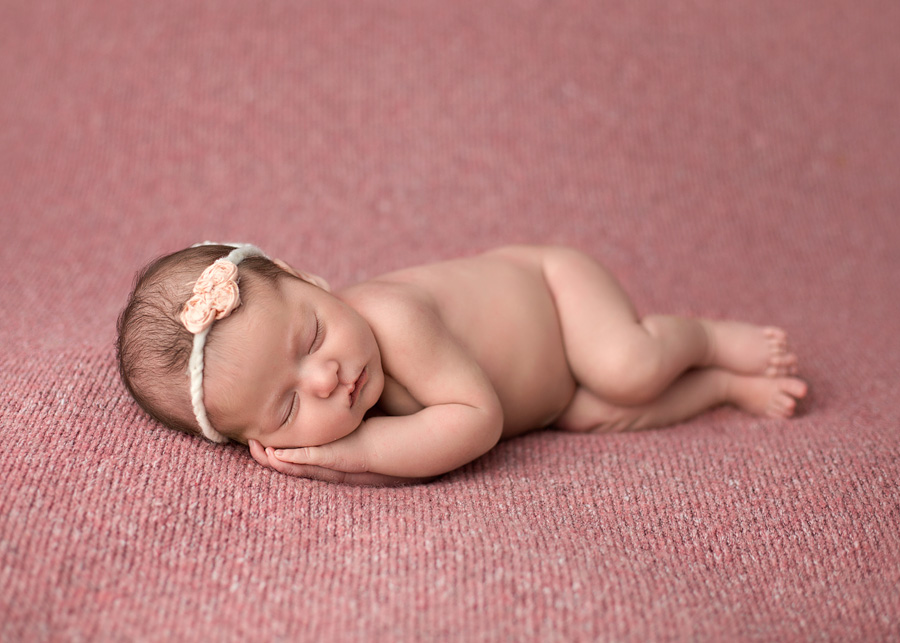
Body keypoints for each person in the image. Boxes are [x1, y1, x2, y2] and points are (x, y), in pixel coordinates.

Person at [117, 242, 807, 485]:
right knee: (600, 410)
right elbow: (417, 458)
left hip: (557, 294)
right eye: (289, 407)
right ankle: (719, 387)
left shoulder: (390, 317)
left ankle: (706, 342)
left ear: (312, 281)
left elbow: (476, 423)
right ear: (256, 442)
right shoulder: (352, 392)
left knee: (624, 365)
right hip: (553, 396)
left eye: (312, 337)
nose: (326, 376)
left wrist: (351, 454)